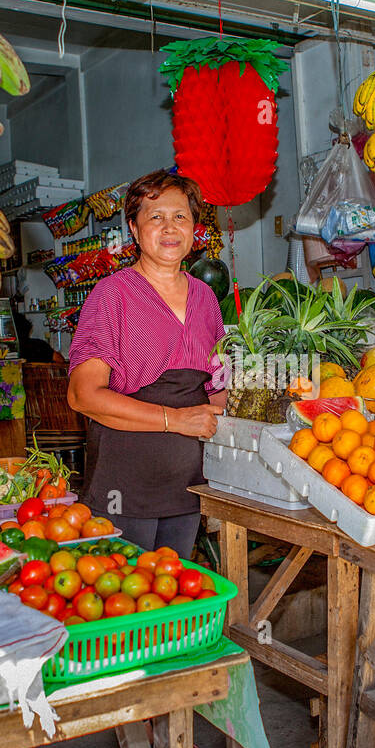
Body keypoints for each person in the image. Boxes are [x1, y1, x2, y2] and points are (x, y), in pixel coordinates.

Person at [66, 170, 225, 559]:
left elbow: (218, 384)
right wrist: (175, 420)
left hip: (188, 484)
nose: (169, 228)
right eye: (155, 217)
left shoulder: (206, 298)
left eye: (181, 217)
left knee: (175, 597)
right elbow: (82, 395)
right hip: (125, 480)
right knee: (126, 602)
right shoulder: (112, 295)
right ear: (134, 231)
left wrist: (225, 407)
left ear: (194, 230)